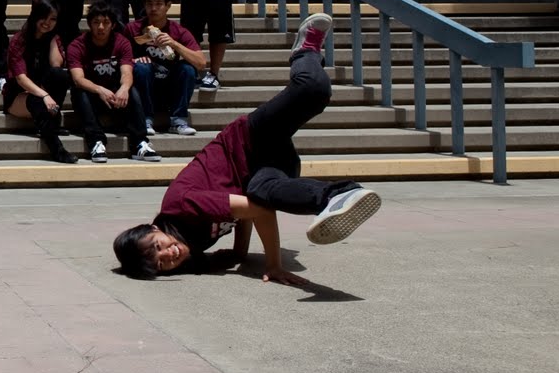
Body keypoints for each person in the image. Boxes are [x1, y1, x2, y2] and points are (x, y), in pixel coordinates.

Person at [112, 14, 383, 286]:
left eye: (158, 245)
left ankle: (305, 53)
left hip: (249, 140)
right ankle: (337, 197)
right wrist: (239, 252)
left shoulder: (182, 205)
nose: (168, 254)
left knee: (313, 90)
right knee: (265, 192)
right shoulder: (190, 248)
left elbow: (256, 211)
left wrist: (273, 265)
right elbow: (246, 210)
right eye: (160, 264)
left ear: (155, 228)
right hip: (263, 172)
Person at [66, 3, 159, 163]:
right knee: (79, 91)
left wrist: (124, 88)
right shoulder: (77, 45)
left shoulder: (121, 42)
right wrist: (99, 90)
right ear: (89, 24)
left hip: (116, 97)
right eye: (96, 22)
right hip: (93, 95)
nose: (101, 27)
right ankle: (96, 141)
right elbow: (78, 79)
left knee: (131, 89)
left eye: (106, 22)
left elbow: (127, 72)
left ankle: (139, 143)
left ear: (113, 25)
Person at [2, 0, 78, 163]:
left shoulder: (52, 38)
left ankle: (51, 120)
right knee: (36, 100)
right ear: (35, 16)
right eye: (44, 17)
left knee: (61, 76)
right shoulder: (19, 40)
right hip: (18, 96)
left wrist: (52, 41)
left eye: (53, 19)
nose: (48, 23)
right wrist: (44, 95)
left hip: (41, 91)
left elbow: (56, 66)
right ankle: (57, 150)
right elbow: (21, 79)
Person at [126, 0, 205, 137]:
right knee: (141, 67)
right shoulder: (132, 28)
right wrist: (134, 60)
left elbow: (201, 63)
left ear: (168, 5)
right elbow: (118, 58)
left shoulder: (178, 31)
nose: (153, 9)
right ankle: (145, 120)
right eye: (149, 4)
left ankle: (178, 121)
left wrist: (174, 44)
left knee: (188, 68)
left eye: (158, 4)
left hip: (169, 87)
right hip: (143, 85)